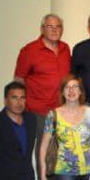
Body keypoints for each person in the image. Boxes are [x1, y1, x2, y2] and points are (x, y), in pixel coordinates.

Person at [14, 13, 71, 170]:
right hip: (37, 111)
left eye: (58, 26)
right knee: (40, 151)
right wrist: (21, 108)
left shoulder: (66, 49)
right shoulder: (29, 50)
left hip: (61, 110)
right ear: (41, 29)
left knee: (59, 152)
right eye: (49, 26)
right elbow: (18, 81)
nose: (54, 30)